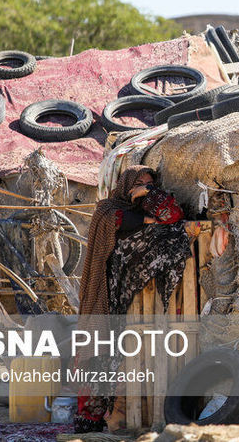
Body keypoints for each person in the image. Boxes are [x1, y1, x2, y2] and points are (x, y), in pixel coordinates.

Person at [74, 165, 190, 433]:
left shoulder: (147, 205)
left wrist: (148, 193)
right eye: (138, 183)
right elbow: (121, 222)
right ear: (126, 184)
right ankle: (90, 420)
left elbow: (173, 216)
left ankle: (119, 418)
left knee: (121, 355)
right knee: (98, 351)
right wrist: (148, 221)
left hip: (128, 298)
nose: (143, 188)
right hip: (105, 290)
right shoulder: (108, 208)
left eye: (150, 184)